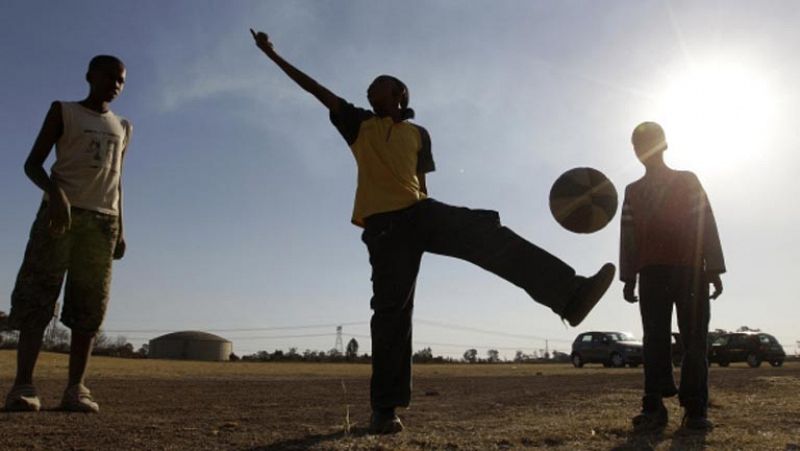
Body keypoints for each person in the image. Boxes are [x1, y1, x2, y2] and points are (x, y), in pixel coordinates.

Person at [250, 29, 615, 434]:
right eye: (369, 86)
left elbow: (422, 185)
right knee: (392, 313)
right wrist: (273, 55)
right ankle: (385, 410)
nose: (371, 86)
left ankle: (570, 295)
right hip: (384, 227)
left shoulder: (419, 134)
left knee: (483, 228)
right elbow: (316, 89)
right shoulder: (358, 124)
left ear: (399, 94)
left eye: (381, 84)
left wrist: (440, 224)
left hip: (420, 212)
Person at [4, 55, 131, 413]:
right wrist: (56, 193)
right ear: (90, 75)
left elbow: (117, 180)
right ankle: (23, 386)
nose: (116, 84)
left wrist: (120, 227)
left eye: (122, 80)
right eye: (110, 76)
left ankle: (76, 388)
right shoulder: (64, 111)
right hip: (59, 218)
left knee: (89, 307)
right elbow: (32, 164)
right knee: (37, 298)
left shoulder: (123, 126)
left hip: (102, 223)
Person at [620, 121, 725, 431]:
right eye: (638, 146)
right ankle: (654, 406)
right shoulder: (633, 191)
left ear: (664, 145)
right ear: (635, 152)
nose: (643, 150)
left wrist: (714, 268)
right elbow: (629, 236)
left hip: (691, 272)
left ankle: (695, 410)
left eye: (649, 143)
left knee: (695, 341)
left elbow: (706, 221)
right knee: (654, 340)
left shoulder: (688, 180)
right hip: (651, 273)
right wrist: (629, 276)